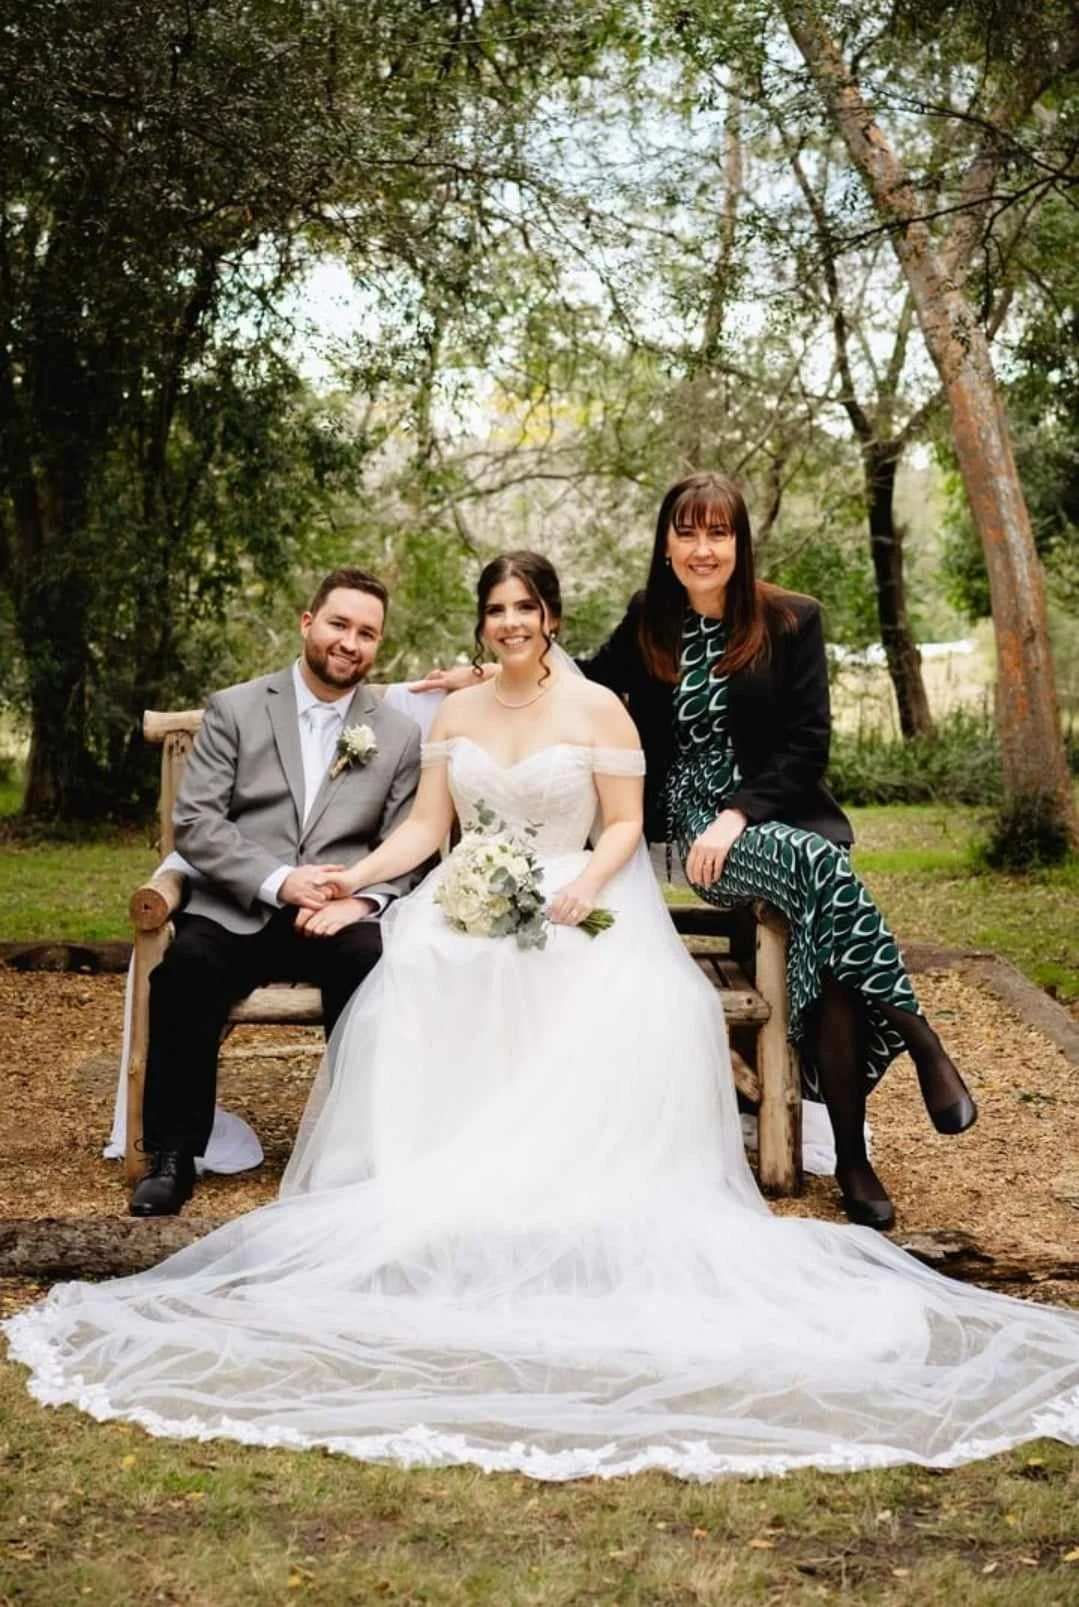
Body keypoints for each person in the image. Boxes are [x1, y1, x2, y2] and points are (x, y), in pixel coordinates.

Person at [5, 551, 1079, 1482]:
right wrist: (347, 880)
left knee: (593, 984)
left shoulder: (598, 707)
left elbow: (619, 826)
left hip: (582, 894)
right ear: (483, 625)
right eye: (494, 612)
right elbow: (427, 824)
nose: (509, 625)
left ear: (551, 619)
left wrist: (577, 889)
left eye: (525, 609)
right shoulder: (458, 714)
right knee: (417, 971)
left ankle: (562, 1173)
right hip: (471, 887)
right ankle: (436, 1170)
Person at [415, 476, 976, 1231]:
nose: (702, 548)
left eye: (717, 533)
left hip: (767, 817)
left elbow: (808, 745)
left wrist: (739, 815)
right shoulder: (653, 619)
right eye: (687, 533)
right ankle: (911, 1037)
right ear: (667, 544)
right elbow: (574, 678)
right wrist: (487, 673)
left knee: (824, 910)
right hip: (686, 824)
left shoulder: (790, 621)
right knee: (826, 880)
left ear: (739, 544)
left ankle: (851, 1154)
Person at [128, 566, 426, 1217]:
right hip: (239, 905)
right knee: (186, 968)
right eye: (339, 624)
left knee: (374, 961)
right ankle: (174, 1155)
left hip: (338, 912)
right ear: (306, 622)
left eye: (367, 633)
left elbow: (408, 843)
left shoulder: (400, 733)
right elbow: (196, 822)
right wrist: (278, 879)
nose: (351, 642)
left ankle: (358, 1154)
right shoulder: (236, 708)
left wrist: (362, 900)